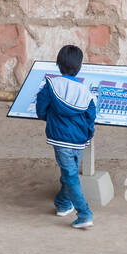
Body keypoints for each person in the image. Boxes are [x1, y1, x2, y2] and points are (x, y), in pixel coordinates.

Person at [35, 44, 96, 229]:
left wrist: (52, 118)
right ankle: (62, 204)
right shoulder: (86, 92)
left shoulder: (51, 85)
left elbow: (41, 110)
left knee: (70, 176)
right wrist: (87, 134)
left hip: (60, 139)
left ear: (58, 64)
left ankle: (84, 214)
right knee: (69, 173)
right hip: (79, 140)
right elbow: (91, 117)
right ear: (79, 67)